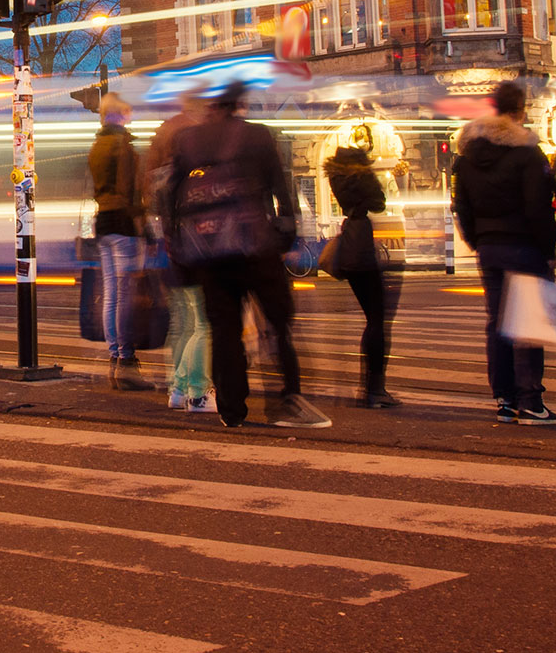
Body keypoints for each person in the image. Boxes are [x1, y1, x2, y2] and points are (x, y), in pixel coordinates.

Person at [162, 80, 328, 429]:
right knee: (278, 324)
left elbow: (169, 193)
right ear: (238, 104)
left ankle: (232, 409)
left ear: (212, 106)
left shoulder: (188, 140)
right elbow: (281, 189)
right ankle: (287, 399)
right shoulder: (258, 136)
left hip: (209, 251)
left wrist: (175, 239)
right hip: (255, 246)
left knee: (225, 331)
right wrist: (286, 236)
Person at [452, 81, 556, 425]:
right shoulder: (527, 153)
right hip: (524, 246)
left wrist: (478, 240)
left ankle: (504, 398)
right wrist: (548, 249)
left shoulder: (468, 156)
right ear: (520, 110)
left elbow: (461, 207)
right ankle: (531, 401)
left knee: (497, 321)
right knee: (528, 322)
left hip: (490, 248)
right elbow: (538, 207)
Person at [147, 86, 213, 412]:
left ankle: (177, 388)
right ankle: (197, 393)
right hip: (195, 254)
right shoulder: (193, 174)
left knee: (182, 323)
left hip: (171, 253)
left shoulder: (164, 166)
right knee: (203, 325)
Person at [324, 137, 400, 407]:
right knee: (377, 319)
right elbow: (379, 203)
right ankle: (375, 388)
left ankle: (370, 387)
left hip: (350, 242)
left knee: (373, 317)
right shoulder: (361, 176)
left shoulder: (337, 178)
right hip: (362, 246)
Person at [89, 93, 152, 391]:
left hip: (103, 222)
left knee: (112, 294)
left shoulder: (97, 146)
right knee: (124, 295)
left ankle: (114, 358)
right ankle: (126, 361)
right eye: (127, 111)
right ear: (120, 114)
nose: (130, 116)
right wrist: (144, 225)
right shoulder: (122, 146)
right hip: (123, 224)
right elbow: (130, 191)